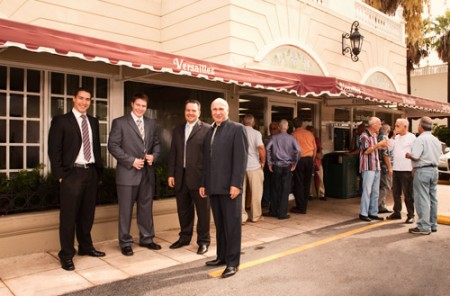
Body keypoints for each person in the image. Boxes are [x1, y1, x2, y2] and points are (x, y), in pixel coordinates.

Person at [48, 87, 105, 271]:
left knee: (87, 214)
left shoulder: (94, 121)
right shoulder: (61, 121)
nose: (84, 102)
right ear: (74, 99)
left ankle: (86, 247)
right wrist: (60, 176)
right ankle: (66, 254)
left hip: (90, 172)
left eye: (87, 99)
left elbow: (96, 147)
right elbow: (54, 150)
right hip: (71, 174)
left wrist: (98, 170)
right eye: (81, 98)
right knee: (69, 217)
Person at [200, 98, 248, 279]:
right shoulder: (210, 130)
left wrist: (236, 184)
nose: (218, 112)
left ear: (227, 110)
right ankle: (221, 257)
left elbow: (240, 159)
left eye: (221, 109)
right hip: (213, 187)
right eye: (214, 109)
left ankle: (233, 263)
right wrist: (204, 183)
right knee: (220, 225)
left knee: (232, 226)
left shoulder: (237, 129)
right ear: (211, 111)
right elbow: (206, 161)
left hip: (230, 188)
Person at [108, 93, 161, 256]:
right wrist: (131, 161)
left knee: (146, 208)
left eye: (143, 106)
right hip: (127, 173)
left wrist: (154, 156)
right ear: (132, 104)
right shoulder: (120, 122)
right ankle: (125, 242)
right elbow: (113, 145)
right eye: (138, 105)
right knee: (125, 210)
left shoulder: (151, 123)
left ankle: (147, 238)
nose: (140, 108)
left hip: (146, 173)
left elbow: (157, 144)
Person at [167, 99, 211, 255]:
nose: (190, 113)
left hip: (199, 179)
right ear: (184, 111)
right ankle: (184, 238)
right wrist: (171, 174)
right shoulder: (178, 129)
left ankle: (203, 241)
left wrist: (206, 180)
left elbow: (209, 157)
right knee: (184, 210)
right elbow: (173, 153)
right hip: (181, 176)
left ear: (199, 112)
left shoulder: (207, 129)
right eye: (188, 110)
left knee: (203, 212)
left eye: (193, 110)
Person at [405, 116, 441, 235]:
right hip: (434, 170)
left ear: (420, 126)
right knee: (432, 198)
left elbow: (415, 155)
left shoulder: (420, 139)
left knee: (422, 198)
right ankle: (432, 224)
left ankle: (424, 226)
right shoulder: (435, 140)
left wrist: (408, 155)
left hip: (422, 170)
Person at [265, 119, 300, 219]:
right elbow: (298, 150)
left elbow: (267, 149)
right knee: (285, 190)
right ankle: (282, 213)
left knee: (275, 189)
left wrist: (269, 162)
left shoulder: (274, 138)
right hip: (287, 166)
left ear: (279, 128)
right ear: (287, 128)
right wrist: (294, 162)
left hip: (276, 165)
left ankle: (273, 211)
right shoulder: (291, 138)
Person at [358, 117, 388, 222]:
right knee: (367, 191)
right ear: (373, 125)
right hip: (368, 167)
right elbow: (366, 151)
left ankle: (373, 212)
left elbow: (374, 148)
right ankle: (363, 213)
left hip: (376, 166)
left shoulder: (374, 135)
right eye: (379, 124)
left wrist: (381, 147)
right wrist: (379, 144)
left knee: (375, 191)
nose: (380, 126)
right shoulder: (364, 136)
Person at [387, 118, 416, 223]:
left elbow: (415, 153)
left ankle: (411, 214)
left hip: (407, 169)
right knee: (396, 193)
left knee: (408, 194)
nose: (395, 127)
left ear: (405, 126)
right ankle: (397, 212)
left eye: (398, 126)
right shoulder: (396, 138)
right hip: (396, 169)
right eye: (395, 125)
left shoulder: (412, 137)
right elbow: (389, 148)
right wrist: (393, 137)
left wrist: (414, 167)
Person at [241, 114, 266, 224]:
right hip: (254, 166)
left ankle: (241, 217)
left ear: (242, 122)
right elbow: (260, 148)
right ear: (253, 123)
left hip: (240, 166)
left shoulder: (238, 132)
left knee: (240, 193)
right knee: (256, 192)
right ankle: (255, 216)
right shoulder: (256, 133)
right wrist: (263, 161)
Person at [291, 117, 316, 214]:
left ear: (293, 125)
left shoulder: (293, 135)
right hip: (309, 160)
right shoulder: (310, 134)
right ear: (302, 124)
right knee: (307, 183)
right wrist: (312, 160)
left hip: (299, 161)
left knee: (298, 184)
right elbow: (315, 148)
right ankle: (304, 205)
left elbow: (292, 150)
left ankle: (300, 207)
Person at [261, 122, 280, 209]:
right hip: (268, 164)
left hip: (277, 164)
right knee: (267, 184)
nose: (272, 131)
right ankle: (265, 202)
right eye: (271, 129)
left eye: (274, 128)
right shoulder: (266, 139)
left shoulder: (281, 138)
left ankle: (274, 202)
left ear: (279, 129)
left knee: (276, 184)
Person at [306, 125, 325, 200]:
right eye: (311, 131)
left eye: (312, 131)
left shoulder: (316, 139)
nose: (312, 132)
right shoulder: (307, 139)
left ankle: (321, 194)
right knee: (309, 179)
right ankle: (310, 194)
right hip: (310, 160)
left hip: (317, 161)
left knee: (320, 178)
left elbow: (319, 150)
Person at [377, 124, 393, 214]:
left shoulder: (378, 137)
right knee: (386, 186)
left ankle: (381, 206)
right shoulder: (384, 138)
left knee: (381, 186)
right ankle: (375, 206)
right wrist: (389, 167)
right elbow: (386, 154)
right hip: (384, 166)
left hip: (379, 165)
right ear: (388, 131)